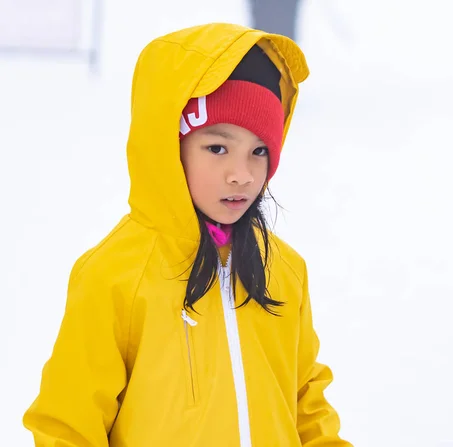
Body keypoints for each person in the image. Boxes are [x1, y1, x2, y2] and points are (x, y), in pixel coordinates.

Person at [22, 23, 352, 446]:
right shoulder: (115, 276)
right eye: (217, 148)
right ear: (169, 146)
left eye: (259, 151)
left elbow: (307, 403)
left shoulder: (284, 269)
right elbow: (67, 427)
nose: (242, 174)